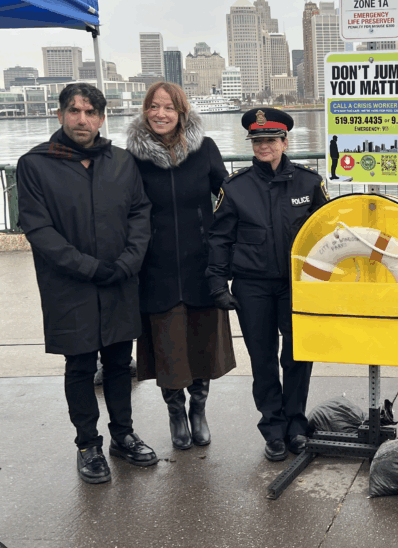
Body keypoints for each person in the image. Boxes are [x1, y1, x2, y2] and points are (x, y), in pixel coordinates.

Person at [16, 82, 157, 484]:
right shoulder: (35, 164)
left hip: (119, 279)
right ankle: (87, 444)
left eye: (91, 112)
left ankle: (122, 436)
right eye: (75, 111)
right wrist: (90, 268)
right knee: (79, 365)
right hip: (70, 285)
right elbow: (38, 228)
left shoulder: (121, 161)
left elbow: (140, 214)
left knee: (117, 363)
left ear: (102, 117)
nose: (83, 119)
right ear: (60, 115)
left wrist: (128, 261)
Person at [206, 107, 329, 461]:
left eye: (271, 140)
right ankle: (273, 429)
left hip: (297, 287)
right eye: (258, 141)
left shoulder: (309, 182)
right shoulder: (236, 187)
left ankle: (295, 425)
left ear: (284, 141)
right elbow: (220, 239)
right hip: (252, 287)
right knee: (262, 360)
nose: (264, 147)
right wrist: (217, 283)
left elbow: (326, 235)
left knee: (297, 357)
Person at [126, 82, 236, 450]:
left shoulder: (204, 149)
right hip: (154, 267)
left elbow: (229, 196)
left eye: (169, 108)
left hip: (200, 264)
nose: (160, 114)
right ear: (145, 111)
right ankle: (175, 411)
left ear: (181, 113)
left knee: (202, 342)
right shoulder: (131, 158)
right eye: (153, 107)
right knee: (168, 346)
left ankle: (199, 409)